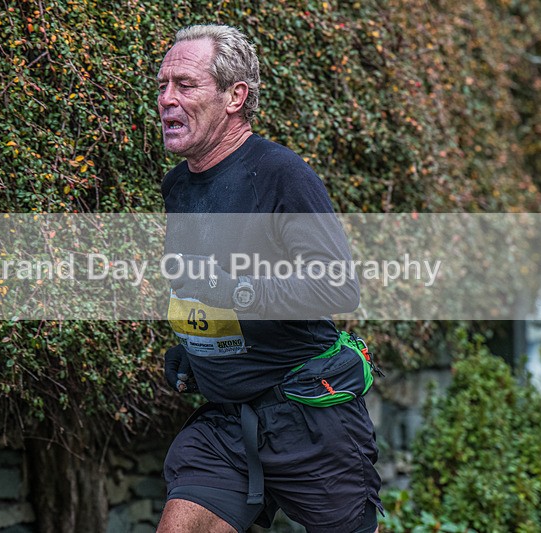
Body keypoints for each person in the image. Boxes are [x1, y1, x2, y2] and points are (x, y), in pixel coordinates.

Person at [156, 24, 382, 533]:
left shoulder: (282, 174)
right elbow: (198, 284)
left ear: (236, 96)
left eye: (185, 85)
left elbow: (336, 286)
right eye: (163, 84)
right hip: (227, 424)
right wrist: (194, 345)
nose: (166, 99)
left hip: (308, 416)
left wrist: (231, 291)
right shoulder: (178, 186)